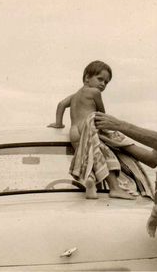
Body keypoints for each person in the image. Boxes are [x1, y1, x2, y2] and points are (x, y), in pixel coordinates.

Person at [48, 60, 135, 200]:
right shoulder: (95, 92)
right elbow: (102, 113)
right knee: (104, 156)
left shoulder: (74, 96)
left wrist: (59, 123)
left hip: (74, 131)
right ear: (87, 77)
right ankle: (115, 188)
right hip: (88, 127)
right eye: (100, 79)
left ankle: (90, 181)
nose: (103, 84)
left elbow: (61, 104)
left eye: (106, 82)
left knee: (86, 157)